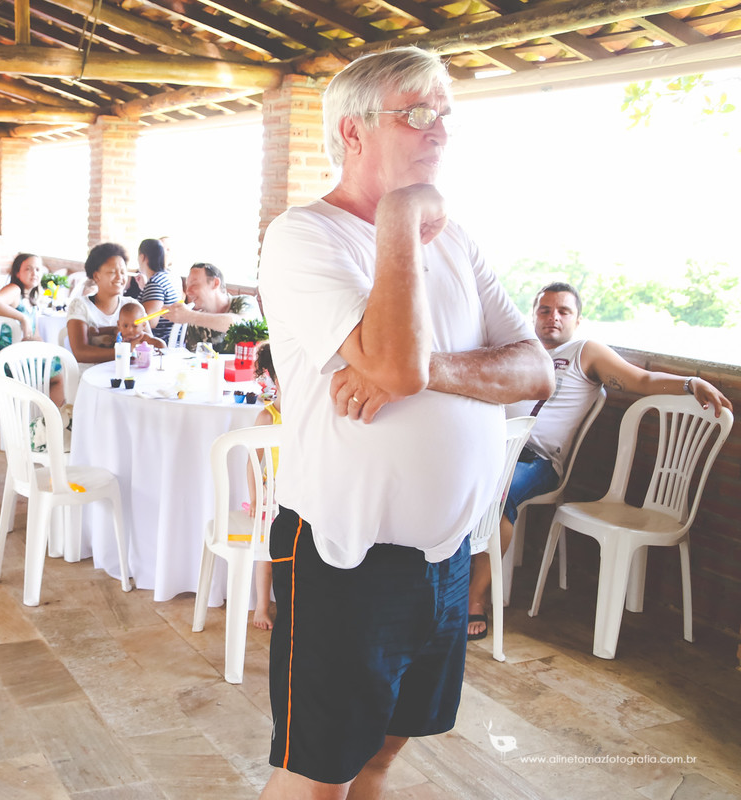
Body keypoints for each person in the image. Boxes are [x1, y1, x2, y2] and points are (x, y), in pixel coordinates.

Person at [258, 47, 553, 798]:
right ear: (352, 133)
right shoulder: (304, 237)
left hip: (447, 557)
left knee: (386, 752)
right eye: (418, 113)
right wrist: (400, 212)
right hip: (344, 555)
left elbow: (535, 371)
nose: (442, 130)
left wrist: (431, 372)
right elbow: (392, 363)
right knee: (317, 774)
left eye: (446, 113)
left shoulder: (458, 240)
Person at [466, 281, 733, 640]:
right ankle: (431, 584)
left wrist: (690, 382)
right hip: (493, 447)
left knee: (497, 498)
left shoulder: (584, 352)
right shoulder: (521, 349)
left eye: (563, 311)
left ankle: (473, 601)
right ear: (533, 316)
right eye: (545, 310)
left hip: (538, 460)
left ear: (577, 320)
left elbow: (642, 379)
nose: (553, 318)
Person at [0, 252, 66, 404]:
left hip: (20, 355)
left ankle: (48, 420)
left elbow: (35, 336)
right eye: (28, 269)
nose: (34, 273)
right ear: (17, 272)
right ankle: (51, 422)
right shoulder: (14, 289)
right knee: (58, 374)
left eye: (37, 269)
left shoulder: (32, 301)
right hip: (8, 358)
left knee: (57, 363)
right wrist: (22, 317)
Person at [246, 341, 280, 631]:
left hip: (301, 493)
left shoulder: (308, 415)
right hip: (273, 497)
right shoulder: (268, 416)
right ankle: (261, 606)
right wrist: (256, 496)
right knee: (265, 556)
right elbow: (253, 463)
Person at [66, 243, 141, 365]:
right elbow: (80, 352)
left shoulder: (132, 306)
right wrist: (125, 352)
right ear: (96, 276)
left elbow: (147, 343)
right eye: (112, 272)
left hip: (129, 377)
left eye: (123, 272)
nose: (119, 277)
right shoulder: (80, 306)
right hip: (91, 378)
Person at [164, 262, 260, 351]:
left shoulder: (246, 301)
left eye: (194, 284)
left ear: (215, 283)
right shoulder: (195, 322)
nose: (188, 291)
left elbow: (241, 325)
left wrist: (189, 316)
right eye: (187, 286)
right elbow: (194, 362)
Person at [136, 238, 180, 343]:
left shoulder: (155, 283)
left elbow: (149, 322)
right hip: (171, 340)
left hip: (159, 342)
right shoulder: (169, 277)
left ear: (142, 257)